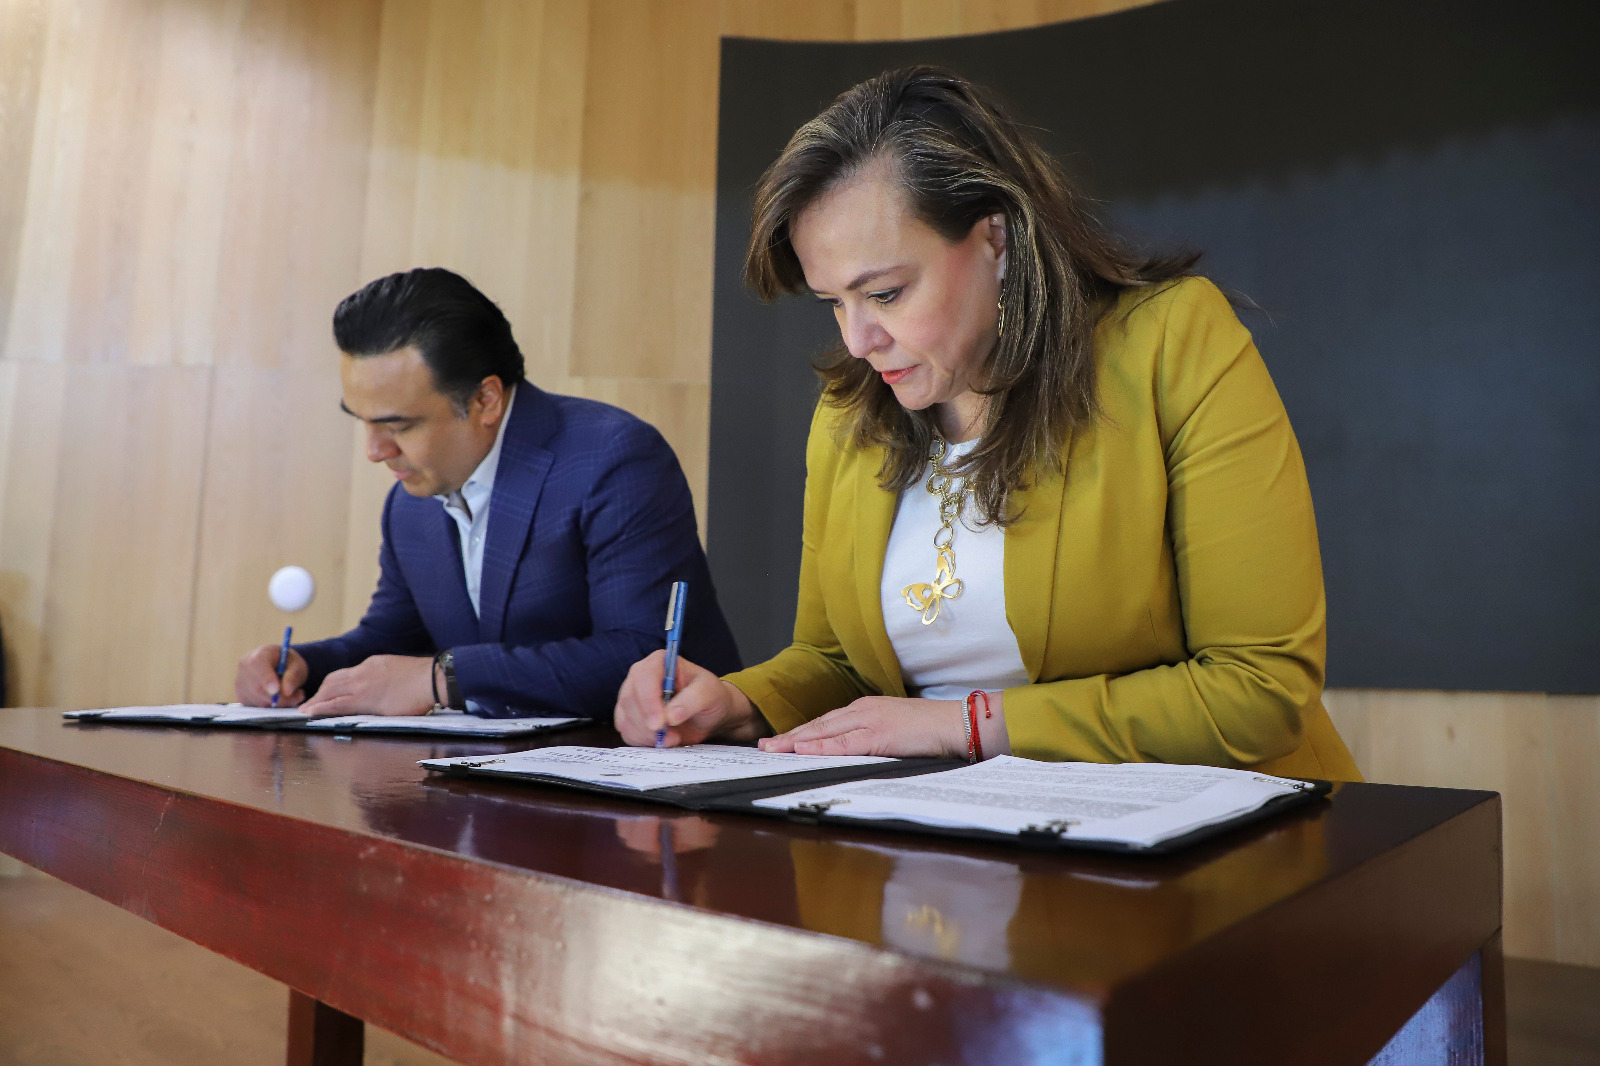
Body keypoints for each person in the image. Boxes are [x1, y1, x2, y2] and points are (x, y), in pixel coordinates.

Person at [614, 67, 1359, 780]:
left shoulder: (1170, 342)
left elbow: (1259, 689)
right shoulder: (849, 412)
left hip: (1206, 838)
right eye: (833, 302)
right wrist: (738, 702)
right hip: (945, 834)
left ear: (995, 241)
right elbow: (837, 661)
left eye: (885, 293)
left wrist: (966, 725)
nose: (857, 340)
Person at [236, 268, 741, 718]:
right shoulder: (408, 502)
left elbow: (641, 654)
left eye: (399, 425)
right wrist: (304, 667)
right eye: (363, 422)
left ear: (485, 400)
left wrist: (444, 679)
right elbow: (394, 642)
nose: (374, 451)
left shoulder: (613, 458)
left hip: (645, 768)